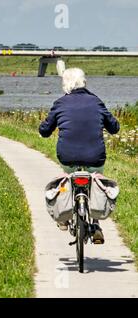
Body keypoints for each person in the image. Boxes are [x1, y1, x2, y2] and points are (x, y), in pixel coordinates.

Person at [39, 68, 120, 242]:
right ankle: (96, 223)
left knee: (67, 177)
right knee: (97, 178)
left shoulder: (60, 103)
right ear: (84, 82)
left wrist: (44, 128)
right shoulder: (96, 102)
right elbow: (114, 127)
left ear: (65, 84)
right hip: (94, 155)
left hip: (67, 155)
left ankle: (64, 217)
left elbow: (45, 130)